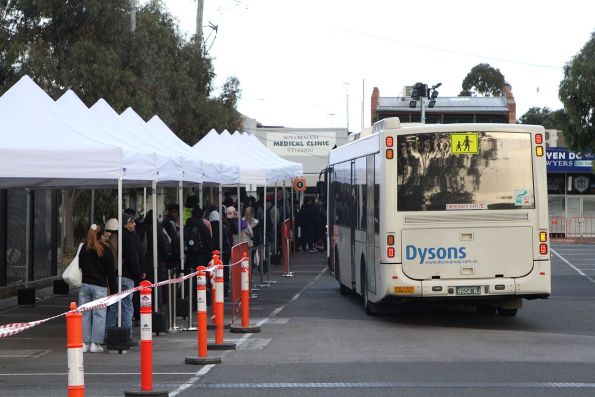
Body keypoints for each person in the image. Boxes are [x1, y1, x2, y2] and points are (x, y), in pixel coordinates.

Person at [78, 224, 116, 353]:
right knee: (99, 315)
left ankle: (84, 342)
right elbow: (110, 272)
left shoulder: (84, 248)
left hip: (85, 285)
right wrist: (114, 291)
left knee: (84, 315)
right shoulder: (105, 249)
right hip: (100, 286)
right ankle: (95, 343)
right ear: (102, 235)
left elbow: (80, 265)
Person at [105, 212, 142, 344]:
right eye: (132, 222)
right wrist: (139, 273)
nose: (134, 224)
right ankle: (127, 336)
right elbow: (133, 257)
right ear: (126, 223)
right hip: (127, 276)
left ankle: (107, 334)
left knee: (114, 308)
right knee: (127, 307)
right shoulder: (128, 237)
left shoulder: (115, 237)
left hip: (115, 276)